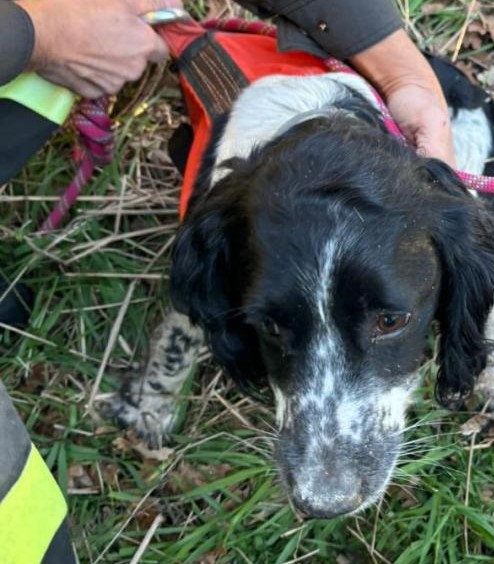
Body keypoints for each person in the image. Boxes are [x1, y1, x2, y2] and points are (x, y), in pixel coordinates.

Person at [0, 1, 455, 561]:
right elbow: (205, 299)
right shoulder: (223, 221)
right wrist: (41, 34)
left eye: (387, 320)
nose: (320, 483)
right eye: (271, 324)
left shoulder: (440, 228)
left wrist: (405, 73)